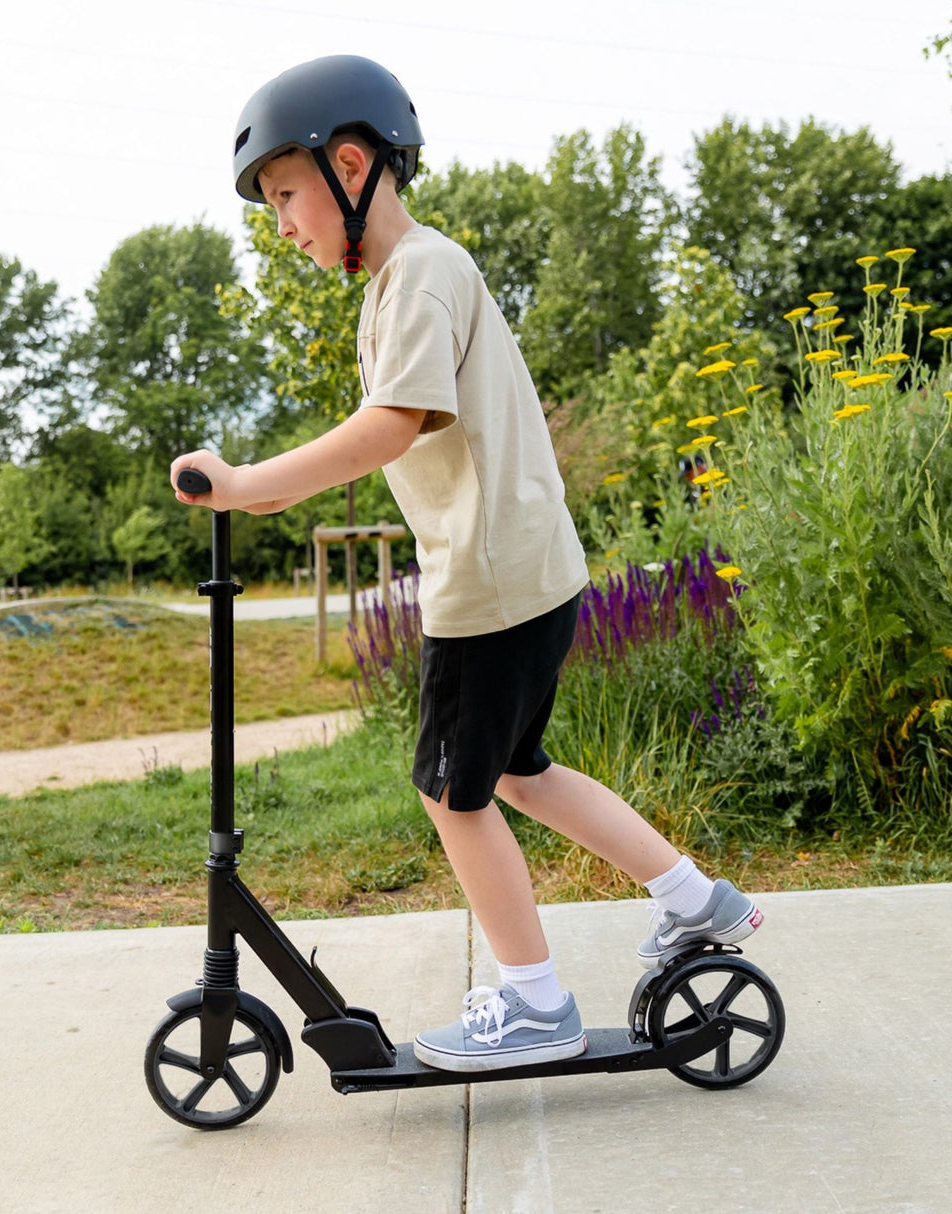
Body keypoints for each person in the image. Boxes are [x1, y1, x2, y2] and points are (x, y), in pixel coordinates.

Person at [170, 54, 763, 1074]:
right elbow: (381, 426)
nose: (281, 225)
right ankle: (693, 897)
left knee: (454, 792)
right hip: (526, 573)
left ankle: (536, 1002)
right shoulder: (411, 279)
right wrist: (261, 487)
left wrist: (243, 481)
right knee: (518, 772)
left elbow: (388, 428)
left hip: (485, 588)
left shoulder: (418, 273)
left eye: (283, 196)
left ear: (348, 164)